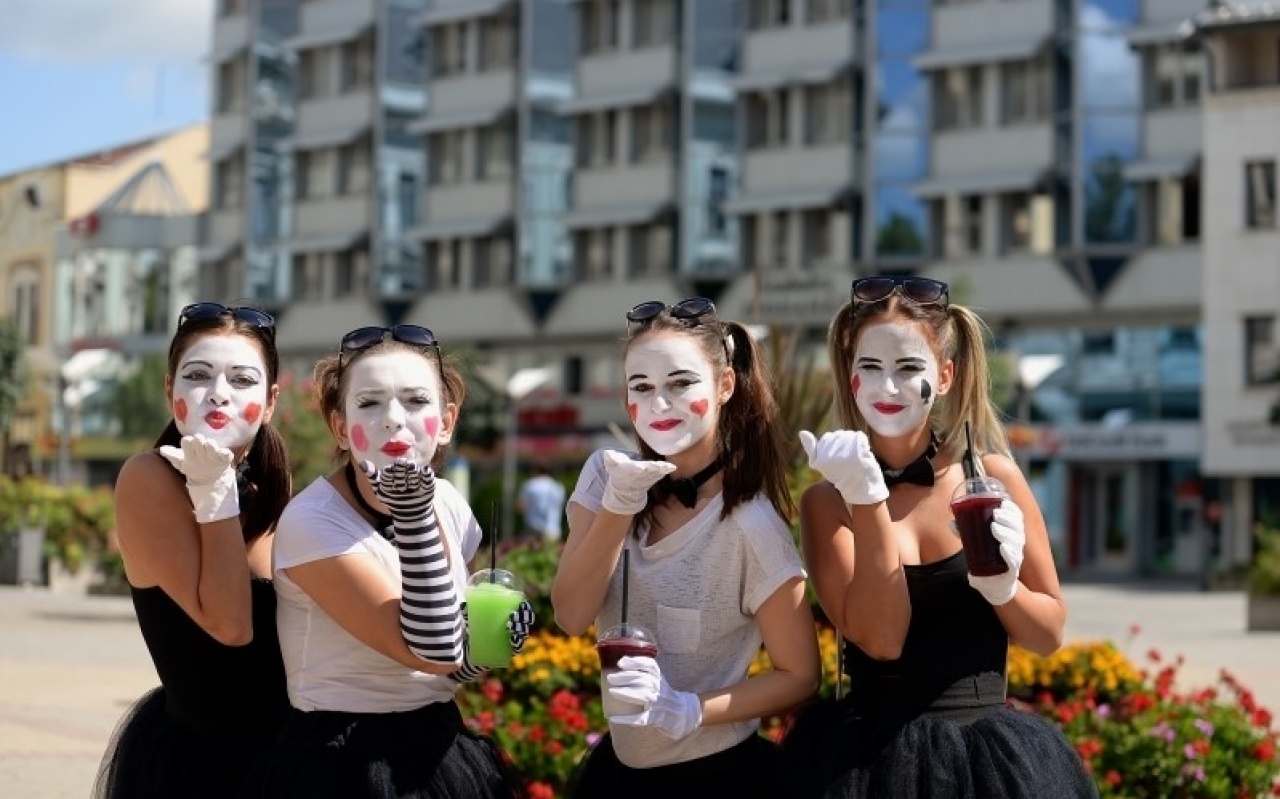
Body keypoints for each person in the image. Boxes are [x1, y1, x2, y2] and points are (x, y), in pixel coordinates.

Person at [780, 276, 1097, 797]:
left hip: (987, 765)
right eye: (871, 368)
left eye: (908, 369)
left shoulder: (993, 478)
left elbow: (1047, 637)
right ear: (850, 375)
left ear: (944, 376)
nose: (887, 388)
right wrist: (866, 497)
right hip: (864, 766)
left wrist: (1004, 590)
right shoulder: (828, 501)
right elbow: (882, 641)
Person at [244, 324, 533, 799]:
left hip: (438, 745)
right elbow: (432, 650)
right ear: (340, 426)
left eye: (416, 401)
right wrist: (415, 516)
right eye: (370, 403)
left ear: (446, 420)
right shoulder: (312, 521)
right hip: (339, 761)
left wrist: (486, 647)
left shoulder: (449, 503)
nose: (394, 419)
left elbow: (442, 670)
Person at [552, 298, 821, 798]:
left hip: (719, 776)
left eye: (680, 384)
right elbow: (570, 614)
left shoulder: (750, 526)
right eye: (642, 387)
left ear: (723, 386)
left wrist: (691, 708)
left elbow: (801, 676)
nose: (659, 404)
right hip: (619, 777)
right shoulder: (604, 477)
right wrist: (620, 504)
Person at [94, 302, 292, 798]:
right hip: (202, 768)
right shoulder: (148, 478)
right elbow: (230, 624)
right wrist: (215, 491)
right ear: (170, 390)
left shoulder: (271, 482)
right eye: (198, 375)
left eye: (242, 380)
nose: (218, 394)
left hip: (286, 752)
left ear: (270, 402)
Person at [518, 461, 566, 542]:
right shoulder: (558, 487)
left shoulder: (529, 485)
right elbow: (560, 506)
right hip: (552, 528)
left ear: (535, 471)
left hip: (533, 527)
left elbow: (521, 506)